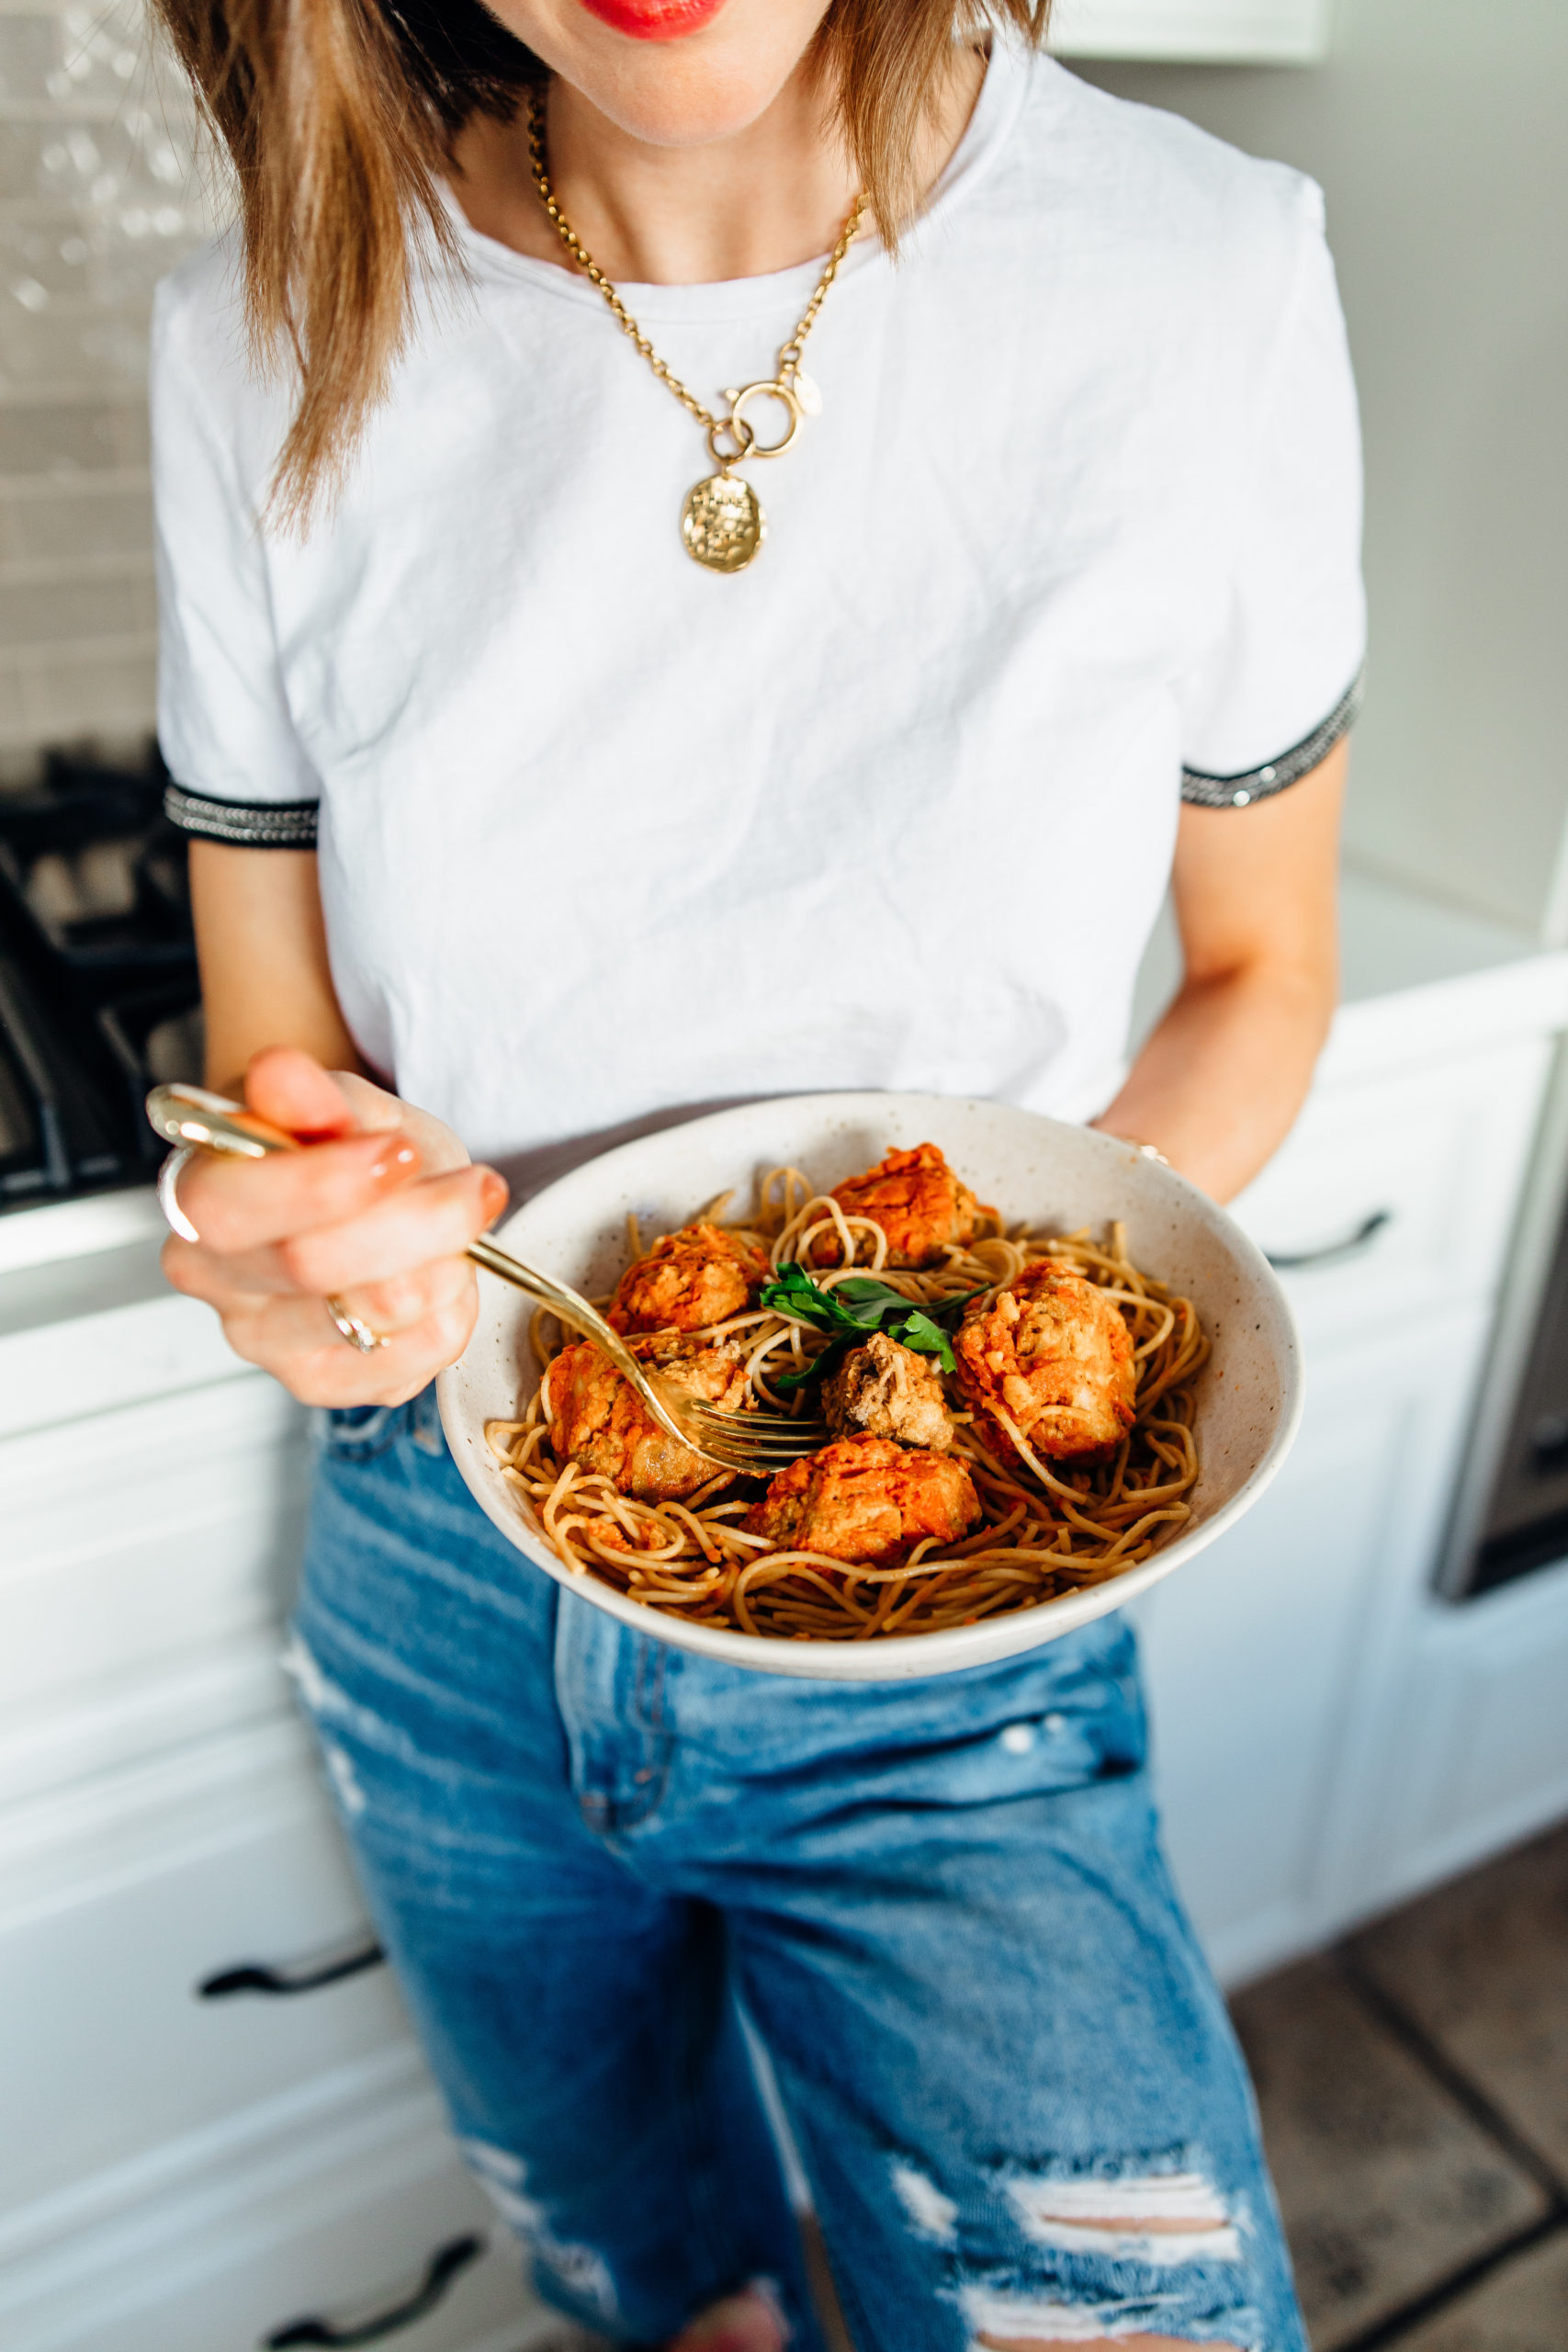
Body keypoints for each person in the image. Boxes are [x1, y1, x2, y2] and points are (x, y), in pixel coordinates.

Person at [148, 0, 1363, 2346]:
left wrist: (1038, 1353)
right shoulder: (262, 325)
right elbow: (271, 1069)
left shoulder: (1203, 269)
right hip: (441, 1579)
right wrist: (312, 1272)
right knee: (661, 2304)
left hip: (955, 1627)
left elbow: (1259, 973)